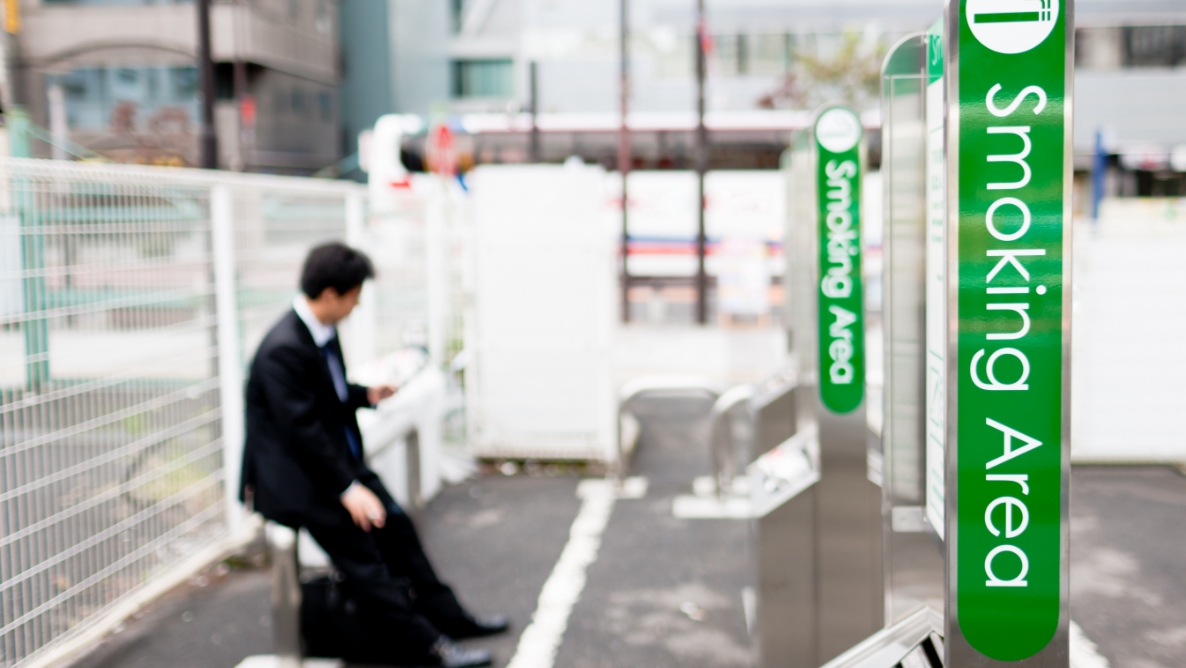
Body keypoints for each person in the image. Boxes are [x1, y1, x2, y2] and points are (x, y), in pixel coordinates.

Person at [240, 242, 506, 668]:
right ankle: (430, 648)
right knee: (365, 563)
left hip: (334, 466)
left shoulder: (317, 332)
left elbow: (324, 398)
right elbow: (302, 431)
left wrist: (364, 394)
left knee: (399, 530)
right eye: (354, 295)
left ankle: (448, 618)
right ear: (331, 294)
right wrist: (348, 489)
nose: (358, 304)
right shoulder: (283, 349)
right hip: (305, 482)